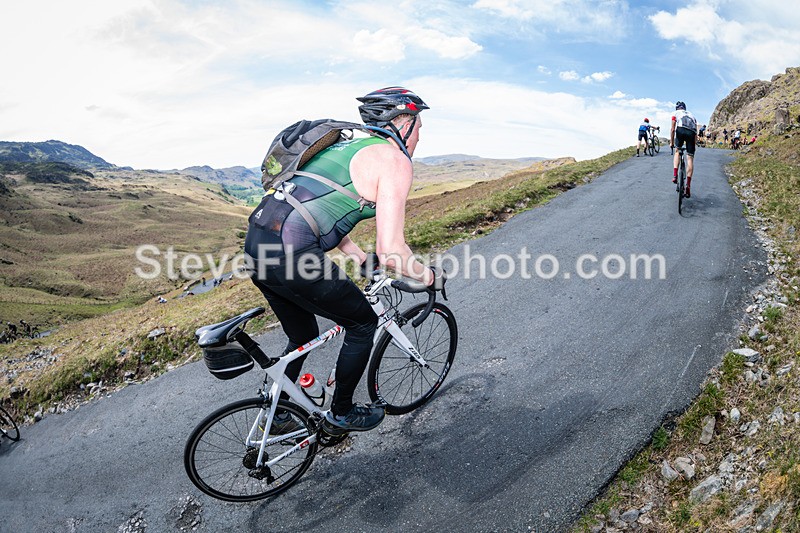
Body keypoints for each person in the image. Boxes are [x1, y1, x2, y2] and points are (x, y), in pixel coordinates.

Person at [243, 87, 446, 435]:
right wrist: (428, 277)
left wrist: (355, 255)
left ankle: (276, 412)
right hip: (294, 252)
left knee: (302, 334)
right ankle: (342, 413)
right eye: (420, 128)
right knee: (363, 325)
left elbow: (319, 205)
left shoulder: (343, 145)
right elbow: (393, 251)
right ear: (405, 123)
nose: (419, 138)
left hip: (257, 242)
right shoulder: (394, 161)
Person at [670, 101, 698, 198]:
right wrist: (693, 146)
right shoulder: (692, 115)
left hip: (681, 130)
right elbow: (695, 133)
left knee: (677, 151)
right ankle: (688, 186)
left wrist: (672, 143)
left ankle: (674, 175)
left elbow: (673, 129)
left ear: (677, 108)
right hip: (691, 132)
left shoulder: (675, 113)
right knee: (690, 158)